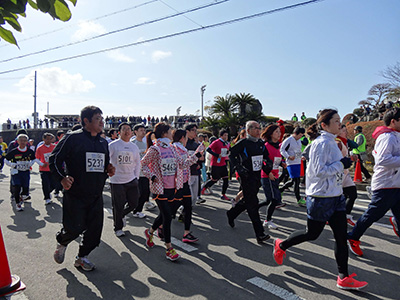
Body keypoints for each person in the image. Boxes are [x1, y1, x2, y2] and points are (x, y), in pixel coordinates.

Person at [273, 109, 368, 290]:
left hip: (336, 196)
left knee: (341, 238)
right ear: (324, 125)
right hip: (320, 197)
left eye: (340, 121)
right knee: (312, 234)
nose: (340, 124)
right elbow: (319, 171)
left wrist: (344, 164)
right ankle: (282, 244)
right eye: (336, 121)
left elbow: (334, 168)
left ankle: (343, 277)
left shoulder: (334, 142)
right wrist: (342, 164)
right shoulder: (321, 144)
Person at [50, 106, 115, 271]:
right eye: (98, 118)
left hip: (96, 194)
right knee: (75, 228)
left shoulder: (102, 142)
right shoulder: (72, 138)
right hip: (76, 193)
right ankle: (62, 241)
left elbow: (104, 164)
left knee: (94, 233)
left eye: (102, 118)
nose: (102, 121)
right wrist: (62, 179)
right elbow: (54, 159)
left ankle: (81, 257)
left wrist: (109, 169)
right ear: (86, 121)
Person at [141, 122, 202, 261]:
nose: (171, 133)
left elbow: (182, 164)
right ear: (164, 134)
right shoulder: (155, 149)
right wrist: (152, 176)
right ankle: (169, 248)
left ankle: (149, 232)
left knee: (165, 215)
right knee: (167, 217)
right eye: (170, 131)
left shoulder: (172, 148)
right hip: (160, 188)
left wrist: (196, 156)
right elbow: (143, 164)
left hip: (173, 188)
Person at [347, 108, 400, 257]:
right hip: (386, 184)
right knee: (372, 215)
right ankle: (353, 237)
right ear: (393, 121)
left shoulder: (397, 136)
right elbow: (383, 159)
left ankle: (396, 222)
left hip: (396, 183)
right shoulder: (387, 137)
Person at [226, 121, 272, 244]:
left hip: (257, 178)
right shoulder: (243, 143)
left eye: (259, 128)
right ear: (248, 130)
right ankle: (260, 233)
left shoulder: (261, 144)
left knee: (247, 201)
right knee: (253, 204)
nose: (258, 130)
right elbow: (231, 155)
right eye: (255, 128)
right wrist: (238, 167)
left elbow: (266, 158)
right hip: (246, 177)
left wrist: (268, 166)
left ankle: (231, 213)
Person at [108, 122, 140, 237]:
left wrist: (136, 177)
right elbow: (107, 160)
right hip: (117, 181)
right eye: (124, 129)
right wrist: (109, 171)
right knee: (118, 205)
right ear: (119, 132)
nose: (126, 131)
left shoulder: (134, 146)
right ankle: (118, 228)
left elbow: (137, 163)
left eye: (128, 129)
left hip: (131, 179)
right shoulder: (113, 145)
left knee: (134, 203)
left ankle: (122, 215)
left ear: (131, 132)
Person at [172, 129, 203, 242]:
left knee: (188, 206)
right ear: (182, 138)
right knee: (172, 208)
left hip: (184, 181)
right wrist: (197, 155)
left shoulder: (182, 148)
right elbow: (183, 164)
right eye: (185, 137)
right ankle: (156, 227)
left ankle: (186, 233)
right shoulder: (175, 148)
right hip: (177, 183)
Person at [5, 134, 43, 211]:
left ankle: (22, 196)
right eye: (21, 140)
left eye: (24, 140)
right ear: (17, 141)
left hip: (25, 172)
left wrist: (30, 164)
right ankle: (18, 204)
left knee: (25, 188)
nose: (22, 142)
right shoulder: (14, 151)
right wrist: (12, 164)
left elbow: (34, 159)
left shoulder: (30, 151)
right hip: (16, 172)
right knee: (17, 187)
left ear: (27, 142)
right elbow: (6, 160)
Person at [259, 124, 285, 229]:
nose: (279, 134)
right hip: (267, 175)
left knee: (269, 200)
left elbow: (276, 160)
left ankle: (252, 208)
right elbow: (261, 161)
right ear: (270, 134)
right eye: (276, 132)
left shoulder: (278, 146)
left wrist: (281, 163)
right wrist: (268, 172)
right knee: (274, 199)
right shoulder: (265, 146)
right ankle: (267, 220)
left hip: (275, 174)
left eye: (279, 132)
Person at [131, 124, 156, 218]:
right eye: (141, 130)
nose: (143, 131)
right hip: (134, 173)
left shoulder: (146, 144)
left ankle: (138, 210)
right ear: (135, 132)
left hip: (145, 173)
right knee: (136, 193)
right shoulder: (132, 143)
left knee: (145, 192)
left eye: (144, 130)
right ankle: (129, 207)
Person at [336, 125, 358, 227]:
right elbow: (337, 160)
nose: (346, 133)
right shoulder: (337, 143)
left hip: (345, 173)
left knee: (353, 194)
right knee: (338, 197)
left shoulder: (345, 142)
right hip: (339, 174)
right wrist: (349, 159)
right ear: (339, 132)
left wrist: (351, 157)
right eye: (344, 131)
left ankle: (346, 215)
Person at [279, 127, 307, 206]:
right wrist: (288, 156)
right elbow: (282, 149)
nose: (301, 137)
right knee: (296, 181)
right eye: (300, 135)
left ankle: (280, 190)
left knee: (293, 181)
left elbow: (298, 151)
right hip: (291, 163)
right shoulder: (289, 140)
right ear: (295, 133)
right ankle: (299, 199)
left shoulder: (298, 141)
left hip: (297, 162)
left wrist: (301, 156)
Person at [201, 129, 231, 200]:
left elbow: (225, 151)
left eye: (227, 135)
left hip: (223, 164)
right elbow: (208, 149)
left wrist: (227, 153)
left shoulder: (226, 143)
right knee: (214, 179)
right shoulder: (216, 142)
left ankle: (223, 194)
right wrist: (217, 155)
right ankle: (204, 187)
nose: (226, 137)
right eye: (225, 135)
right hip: (216, 164)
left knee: (226, 179)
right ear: (220, 135)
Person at [36, 133, 57, 205]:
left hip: (52, 168)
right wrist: (42, 164)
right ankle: (47, 198)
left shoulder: (54, 147)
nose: (48, 140)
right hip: (43, 169)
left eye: (50, 139)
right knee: (45, 183)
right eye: (47, 139)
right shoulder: (40, 148)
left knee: (55, 183)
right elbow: (36, 158)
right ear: (43, 139)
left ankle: (48, 192)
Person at [185, 123, 204, 205]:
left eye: (196, 130)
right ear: (187, 131)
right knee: (188, 195)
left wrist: (200, 163)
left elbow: (202, 158)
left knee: (194, 197)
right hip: (185, 173)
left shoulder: (196, 145)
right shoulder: (183, 144)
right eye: (193, 130)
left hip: (195, 171)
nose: (195, 132)